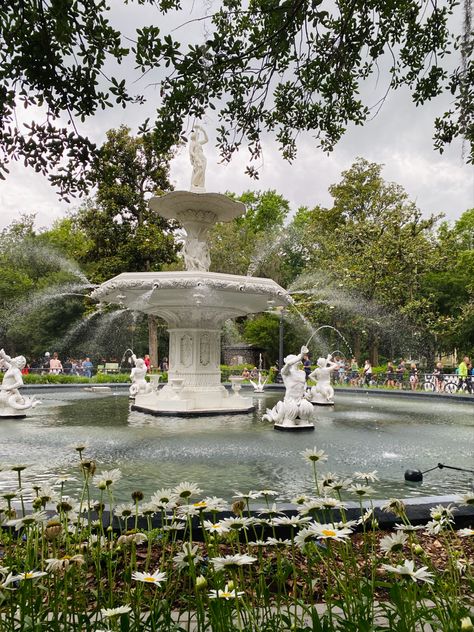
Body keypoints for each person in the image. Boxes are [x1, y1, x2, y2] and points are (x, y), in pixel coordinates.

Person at [189, 125, 208, 190]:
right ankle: (194, 184)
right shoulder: (193, 143)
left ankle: (200, 185)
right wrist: (196, 158)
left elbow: (206, 140)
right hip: (198, 158)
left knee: (202, 173)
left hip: (203, 158)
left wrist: (203, 131)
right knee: (200, 170)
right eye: (197, 134)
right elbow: (191, 151)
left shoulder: (198, 143)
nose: (198, 136)